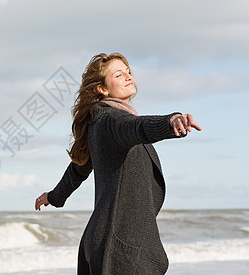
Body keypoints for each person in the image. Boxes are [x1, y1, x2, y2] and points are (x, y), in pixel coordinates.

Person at [34, 52, 202, 274]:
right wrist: (171, 122)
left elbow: (79, 167)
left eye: (128, 72)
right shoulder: (111, 121)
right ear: (102, 89)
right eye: (118, 74)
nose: (128, 77)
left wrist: (54, 196)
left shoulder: (100, 123)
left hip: (110, 241)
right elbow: (137, 127)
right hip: (120, 248)